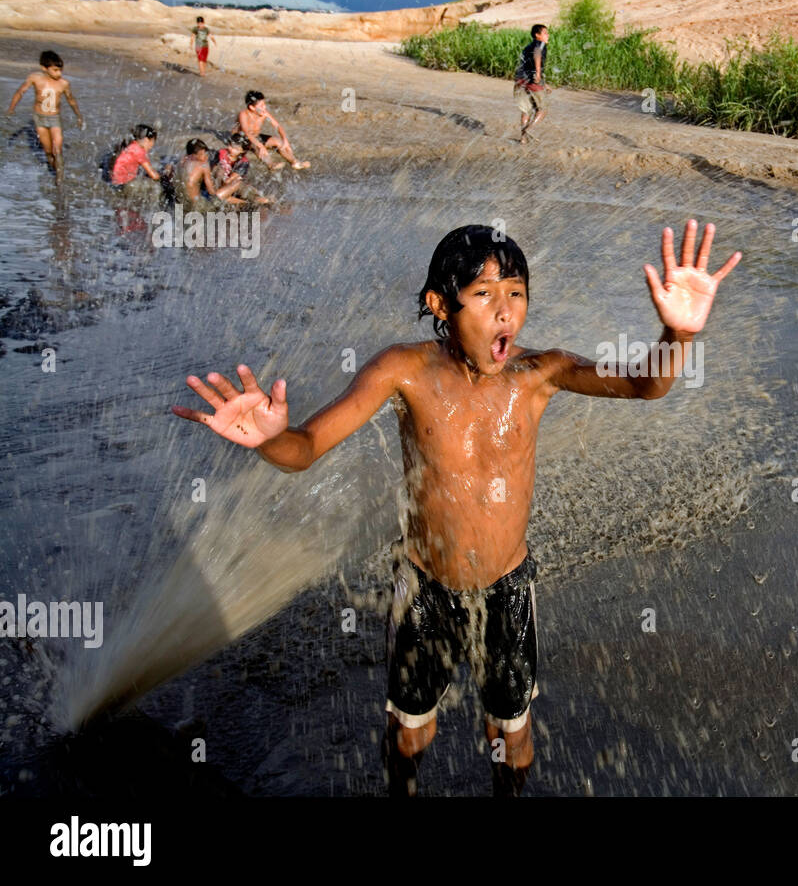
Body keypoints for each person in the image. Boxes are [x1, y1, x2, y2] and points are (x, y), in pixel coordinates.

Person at [171, 220, 741, 796]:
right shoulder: (404, 370)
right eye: (485, 295)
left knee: (510, 731)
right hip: (423, 586)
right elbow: (306, 449)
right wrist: (270, 438)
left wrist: (676, 334)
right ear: (440, 304)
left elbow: (646, 385)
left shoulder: (539, 373)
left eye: (516, 294)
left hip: (507, 587)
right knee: (408, 731)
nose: (505, 313)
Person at [6, 50, 84, 177]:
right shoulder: (35, 78)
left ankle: (60, 179)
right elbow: (20, 92)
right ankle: (55, 170)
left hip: (54, 118)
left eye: (60, 70)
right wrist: (11, 109)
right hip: (40, 118)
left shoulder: (63, 84)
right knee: (48, 151)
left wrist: (78, 116)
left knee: (57, 150)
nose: (59, 73)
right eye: (55, 70)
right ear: (44, 68)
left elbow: (71, 100)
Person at [234, 90, 309, 170]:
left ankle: (295, 162)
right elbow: (246, 132)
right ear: (252, 107)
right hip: (242, 139)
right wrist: (261, 146)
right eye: (261, 106)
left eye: (264, 104)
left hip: (256, 137)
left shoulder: (264, 113)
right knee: (256, 146)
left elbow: (278, 126)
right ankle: (271, 164)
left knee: (278, 142)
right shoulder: (243, 114)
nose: (264, 107)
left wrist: (285, 140)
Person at [177, 138, 246, 206]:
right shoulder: (203, 165)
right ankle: (245, 203)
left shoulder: (181, 162)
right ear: (193, 155)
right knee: (236, 183)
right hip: (200, 205)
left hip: (183, 202)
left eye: (205, 153)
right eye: (202, 154)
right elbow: (211, 192)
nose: (206, 157)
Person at [513, 24, 550, 144]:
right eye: (545, 33)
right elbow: (537, 54)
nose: (547, 35)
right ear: (537, 35)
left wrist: (544, 83)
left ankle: (523, 138)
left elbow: (526, 65)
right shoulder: (540, 44)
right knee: (543, 109)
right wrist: (538, 74)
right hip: (531, 80)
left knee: (526, 110)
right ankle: (530, 129)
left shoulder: (527, 46)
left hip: (520, 80)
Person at [212, 132, 271, 204]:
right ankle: (242, 203)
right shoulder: (220, 153)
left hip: (234, 185)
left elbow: (229, 180)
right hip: (219, 183)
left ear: (242, 151)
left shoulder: (243, 162)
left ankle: (262, 201)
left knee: (249, 193)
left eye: (235, 148)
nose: (231, 149)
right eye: (230, 145)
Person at [108, 124, 164, 193]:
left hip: (114, 182)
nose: (151, 147)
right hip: (123, 185)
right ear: (146, 140)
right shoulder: (139, 151)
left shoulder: (130, 145)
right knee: (157, 187)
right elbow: (154, 175)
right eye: (152, 143)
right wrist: (164, 177)